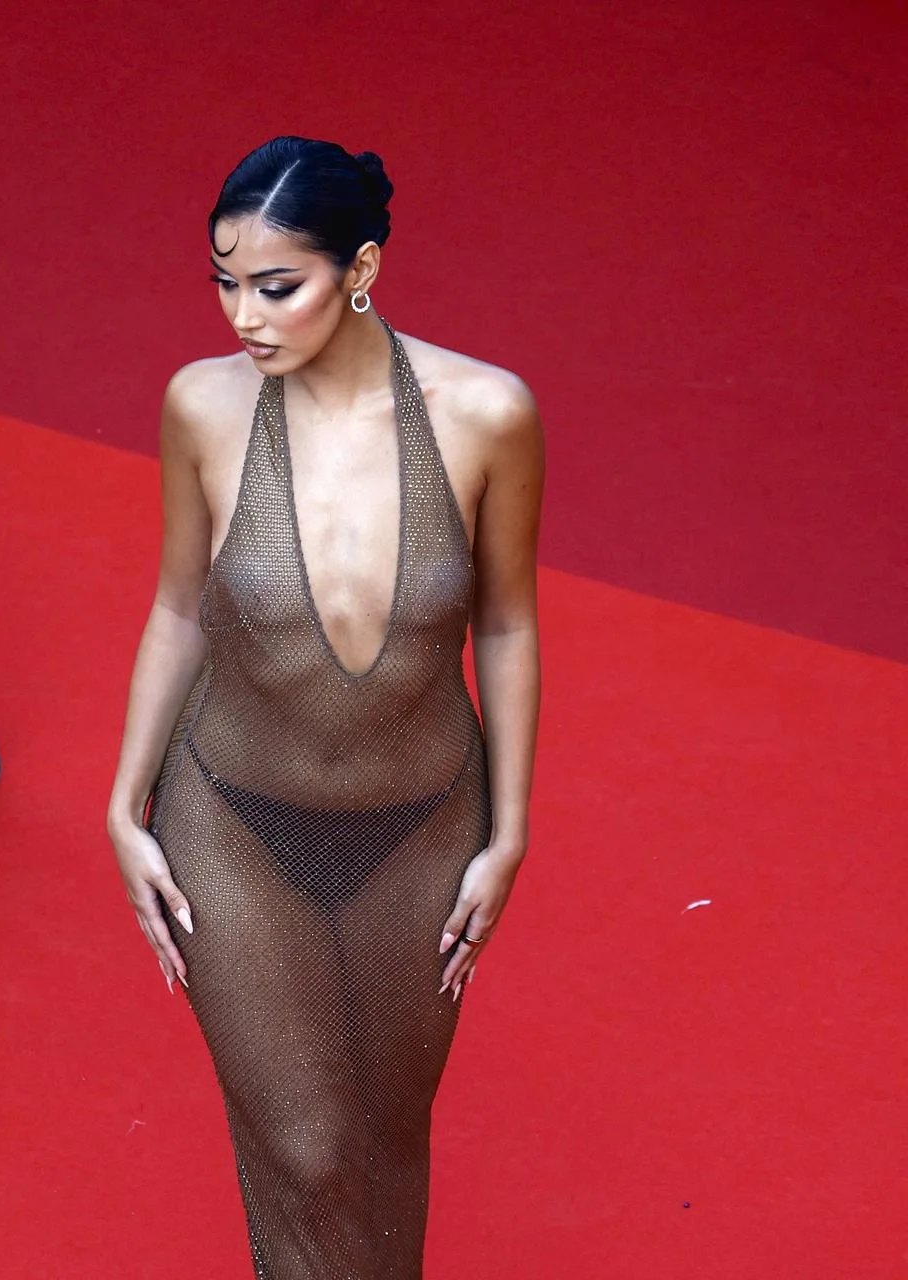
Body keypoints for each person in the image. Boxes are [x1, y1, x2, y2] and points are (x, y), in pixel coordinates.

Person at [105, 137, 543, 1275]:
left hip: (424, 832)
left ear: (363, 268)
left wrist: (509, 834)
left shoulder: (485, 413)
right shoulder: (202, 406)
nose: (242, 317)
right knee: (307, 1149)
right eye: (224, 283)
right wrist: (120, 803)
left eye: (275, 286)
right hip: (233, 825)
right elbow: (179, 607)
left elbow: (505, 623)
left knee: (386, 1145)